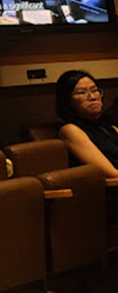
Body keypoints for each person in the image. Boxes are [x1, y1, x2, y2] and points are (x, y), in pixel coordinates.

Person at [55, 70, 118, 219]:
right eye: (81, 93)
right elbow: (110, 173)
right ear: (67, 100)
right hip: (104, 197)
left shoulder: (111, 127)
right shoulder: (70, 130)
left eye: (95, 90)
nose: (92, 97)